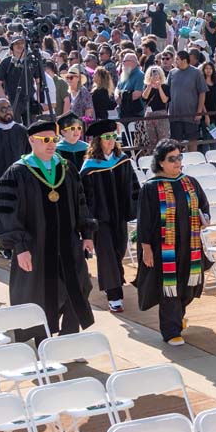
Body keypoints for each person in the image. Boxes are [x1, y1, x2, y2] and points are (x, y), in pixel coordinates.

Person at [0, 119, 97, 340]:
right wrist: (19, 247)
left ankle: (70, 339)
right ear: (31, 140)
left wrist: (87, 234)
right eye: (45, 140)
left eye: (54, 139)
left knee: (77, 289)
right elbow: (6, 213)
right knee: (39, 296)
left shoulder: (66, 168)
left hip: (68, 244)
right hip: (36, 248)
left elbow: (81, 202)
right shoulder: (17, 173)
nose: (51, 144)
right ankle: (44, 343)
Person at [133, 138, 212, 346]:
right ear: (160, 162)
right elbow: (144, 222)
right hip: (164, 248)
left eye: (179, 157)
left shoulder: (189, 182)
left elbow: (203, 205)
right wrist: (146, 249)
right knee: (169, 288)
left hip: (190, 245)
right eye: (172, 159)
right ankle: (171, 331)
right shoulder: (150, 188)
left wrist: (205, 218)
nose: (178, 163)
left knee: (187, 285)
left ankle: (177, 318)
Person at [80, 119, 139, 313]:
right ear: (98, 141)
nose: (111, 141)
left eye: (114, 137)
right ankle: (115, 296)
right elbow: (85, 199)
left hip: (120, 216)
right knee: (106, 256)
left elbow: (134, 186)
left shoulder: (122, 160)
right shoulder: (89, 168)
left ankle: (114, 280)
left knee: (118, 252)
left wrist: (135, 209)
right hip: (100, 220)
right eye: (107, 137)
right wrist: (88, 224)